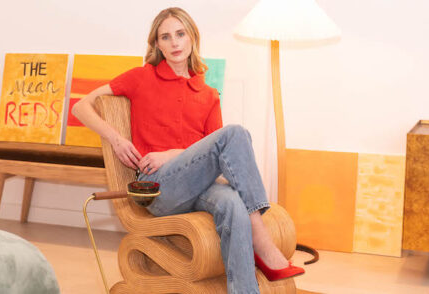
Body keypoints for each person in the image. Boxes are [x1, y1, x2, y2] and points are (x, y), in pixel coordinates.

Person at [72, 7, 304, 293]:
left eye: (180, 34)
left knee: (232, 202)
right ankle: (263, 241)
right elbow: (81, 106)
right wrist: (116, 139)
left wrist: (171, 154)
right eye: (166, 37)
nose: (174, 43)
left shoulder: (207, 95)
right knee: (235, 133)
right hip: (157, 187)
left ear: (193, 37)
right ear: (157, 44)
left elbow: (216, 157)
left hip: (196, 186)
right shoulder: (141, 78)